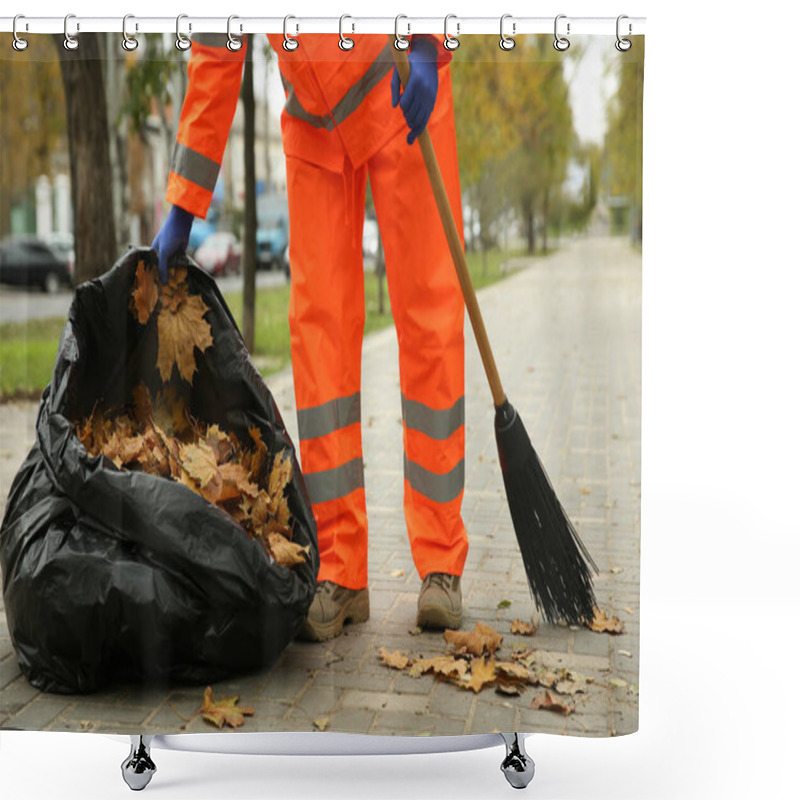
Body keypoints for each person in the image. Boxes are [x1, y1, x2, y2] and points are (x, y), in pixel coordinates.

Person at [152, 32, 468, 642]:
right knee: (317, 340)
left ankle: (440, 564)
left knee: (429, 317)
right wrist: (184, 205)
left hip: (402, 83)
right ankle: (342, 571)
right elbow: (218, 49)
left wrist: (431, 40)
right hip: (314, 124)